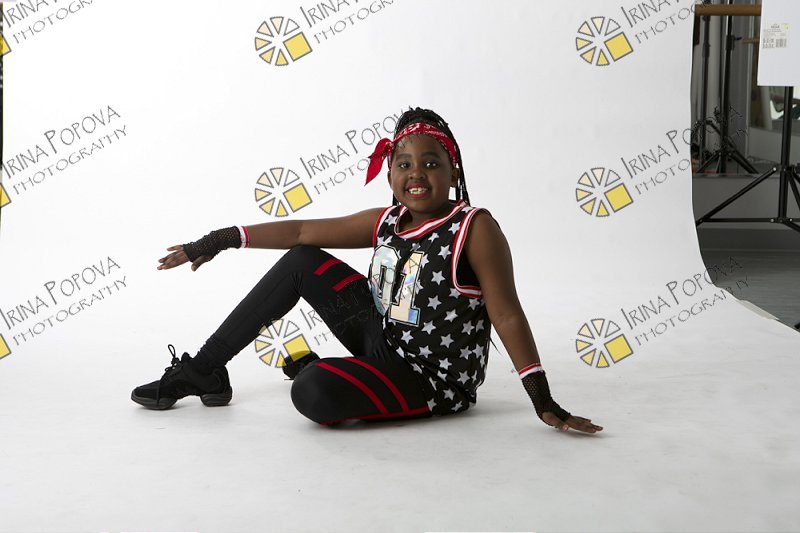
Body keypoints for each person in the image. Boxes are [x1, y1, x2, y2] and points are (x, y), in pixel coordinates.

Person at [131, 108, 603, 434]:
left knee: (312, 391)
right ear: (390, 173)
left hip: (431, 377)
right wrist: (219, 240)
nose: (416, 173)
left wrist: (542, 398)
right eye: (404, 164)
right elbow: (300, 231)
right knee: (302, 260)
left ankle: (327, 373)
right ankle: (204, 372)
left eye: (431, 163)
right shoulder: (388, 220)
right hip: (384, 340)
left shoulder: (473, 227)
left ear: (453, 172)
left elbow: (507, 314)